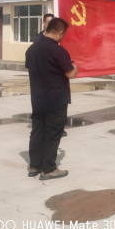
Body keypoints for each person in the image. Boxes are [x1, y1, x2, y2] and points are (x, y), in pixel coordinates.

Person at [25, 18, 77, 181]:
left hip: (38, 99)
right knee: (53, 134)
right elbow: (70, 73)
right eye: (64, 34)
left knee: (37, 132)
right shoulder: (58, 51)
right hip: (56, 99)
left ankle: (35, 166)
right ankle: (49, 169)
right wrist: (75, 67)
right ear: (60, 32)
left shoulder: (31, 49)